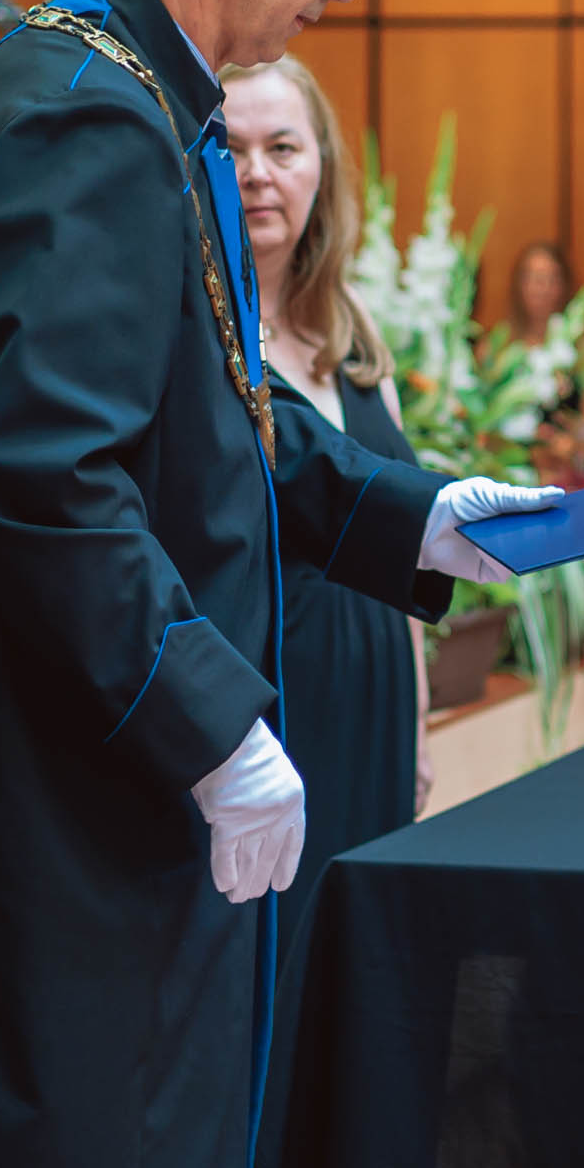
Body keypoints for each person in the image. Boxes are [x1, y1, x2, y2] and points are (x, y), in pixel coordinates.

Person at [0, 0, 553, 1168]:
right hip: (86, 796)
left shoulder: (136, 93)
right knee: (122, 1146)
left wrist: (415, 512)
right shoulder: (86, 115)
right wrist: (212, 731)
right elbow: (46, 480)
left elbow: (219, 415)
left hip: (117, 778)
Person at [225, 54, 431, 938]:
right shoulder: (195, 336)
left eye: (282, 147)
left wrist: (419, 723)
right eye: (229, 148)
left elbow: (403, 539)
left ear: (322, 166)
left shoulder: (351, 331)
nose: (257, 173)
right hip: (270, 711)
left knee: (362, 954)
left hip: (376, 698)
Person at [502, 238, 584, 431]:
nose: (542, 289)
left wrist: (571, 440)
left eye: (552, 279)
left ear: (565, 285)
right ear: (518, 285)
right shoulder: (500, 347)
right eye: (534, 278)